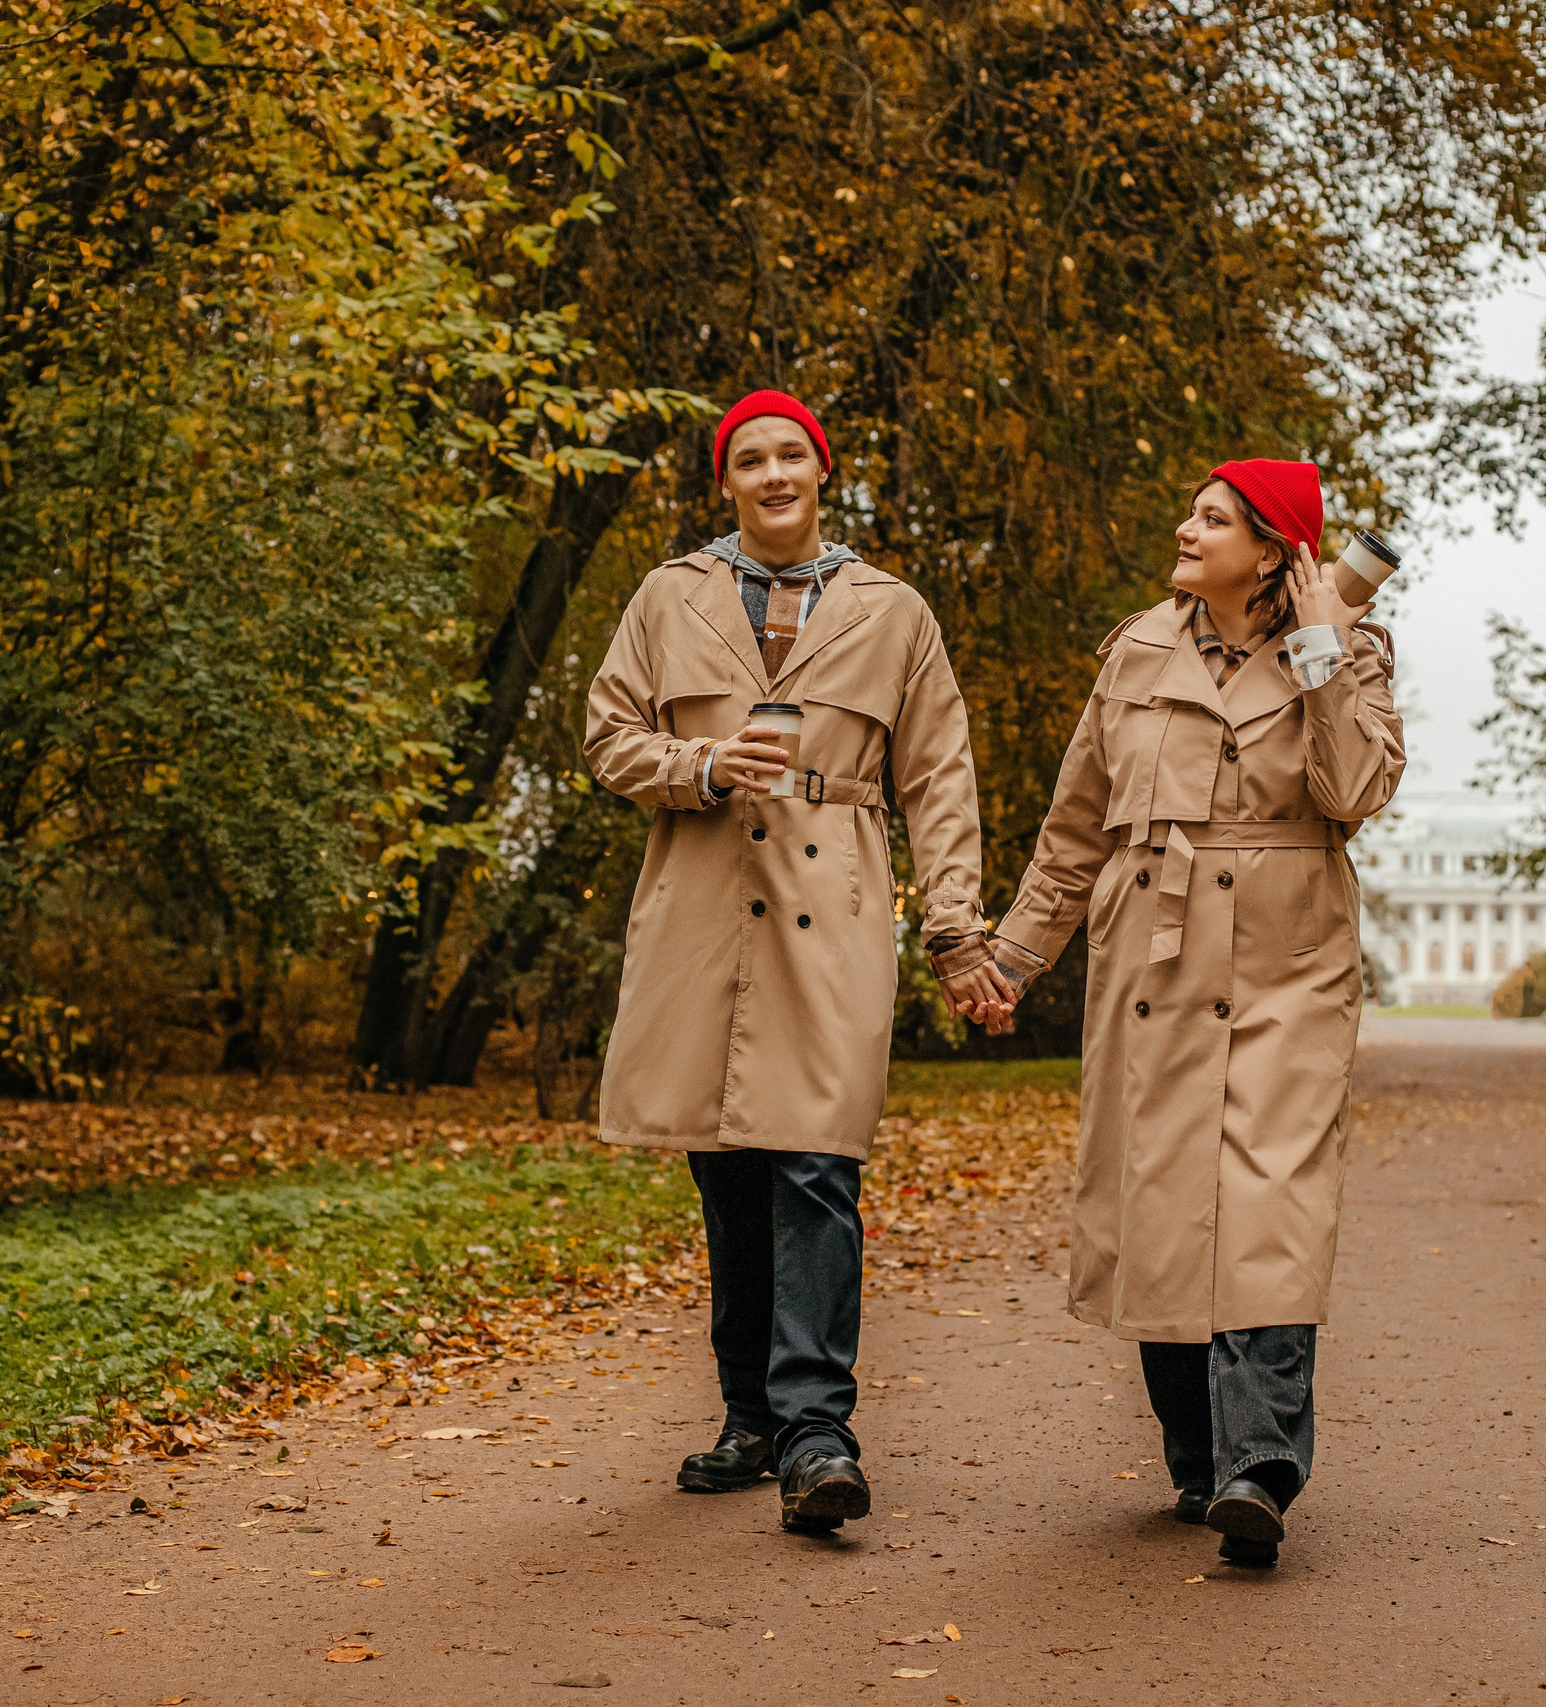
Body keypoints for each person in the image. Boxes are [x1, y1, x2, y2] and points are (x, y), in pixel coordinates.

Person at [583, 389, 1013, 1534]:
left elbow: (941, 778)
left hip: (835, 901)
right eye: (748, 459)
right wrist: (703, 764)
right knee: (724, 1168)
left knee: (817, 1163)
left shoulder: (892, 609)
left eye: (791, 455)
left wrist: (955, 930)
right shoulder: (668, 595)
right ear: (724, 481)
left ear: (822, 472)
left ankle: (818, 1427)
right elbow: (609, 734)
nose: (772, 474)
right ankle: (750, 1419)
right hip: (702, 903)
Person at [983, 459, 1403, 1568]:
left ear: (1272, 550)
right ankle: (1197, 1460)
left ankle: (1258, 1465)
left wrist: (1318, 649)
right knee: (1162, 1202)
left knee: (1268, 1198)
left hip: (1288, 956)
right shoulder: (1134, 651)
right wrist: (1014, 957)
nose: (1185, 526)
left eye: (1212, 518)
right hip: (1154, 955)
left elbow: (1354, 792)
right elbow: (1076, 825)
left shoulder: (1348, 648)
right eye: (1192, 510)